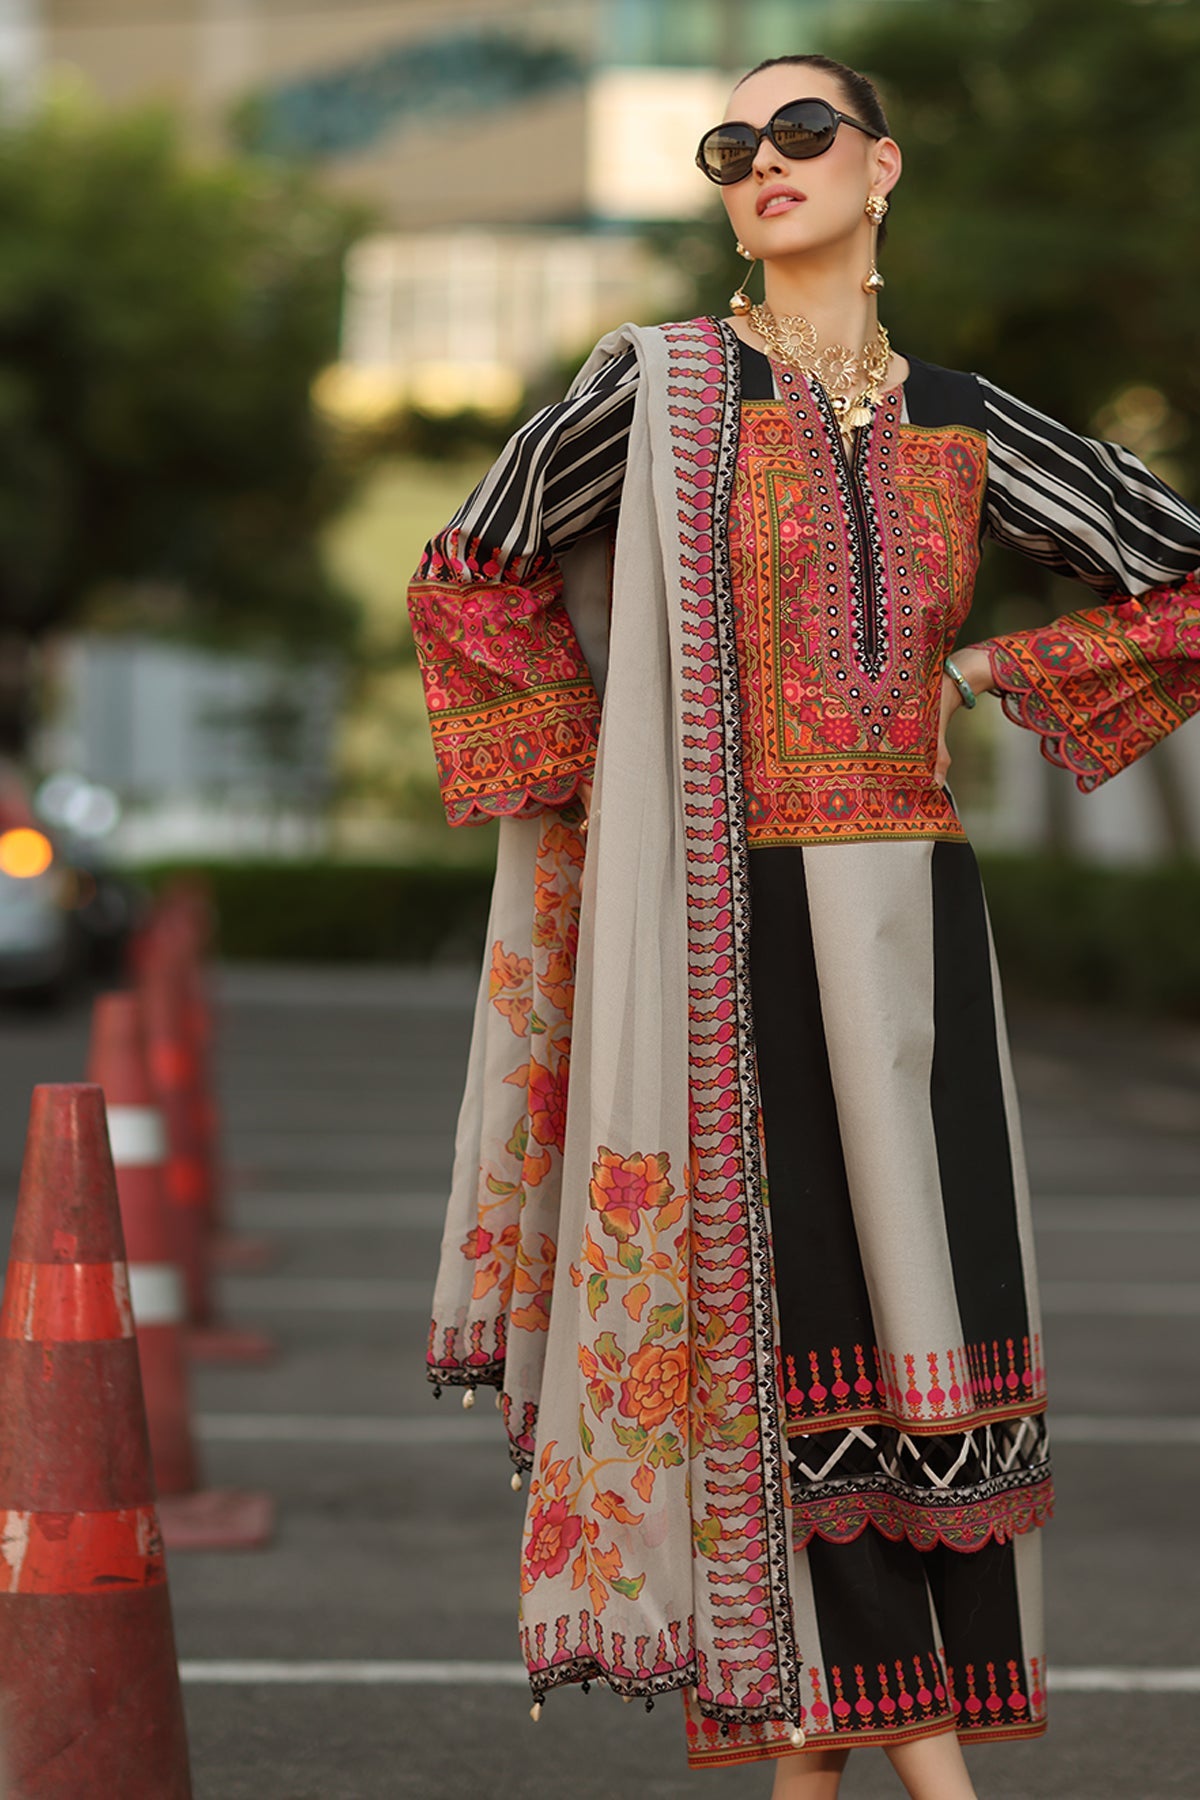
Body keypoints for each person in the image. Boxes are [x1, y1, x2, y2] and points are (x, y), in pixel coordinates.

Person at [407, 52, 1200, 1800]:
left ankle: (825, 1755)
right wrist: (608, 800)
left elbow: (1183, 572)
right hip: (730, 916)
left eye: (801, 131)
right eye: (731, 144)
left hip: (914, 924)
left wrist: (993, 668)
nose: (763, 161)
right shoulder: (657, 392)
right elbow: (472, 568)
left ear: (881, 166)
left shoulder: (967, 422)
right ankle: (928, 1770)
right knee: (790, 1324)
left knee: (934, 1323)